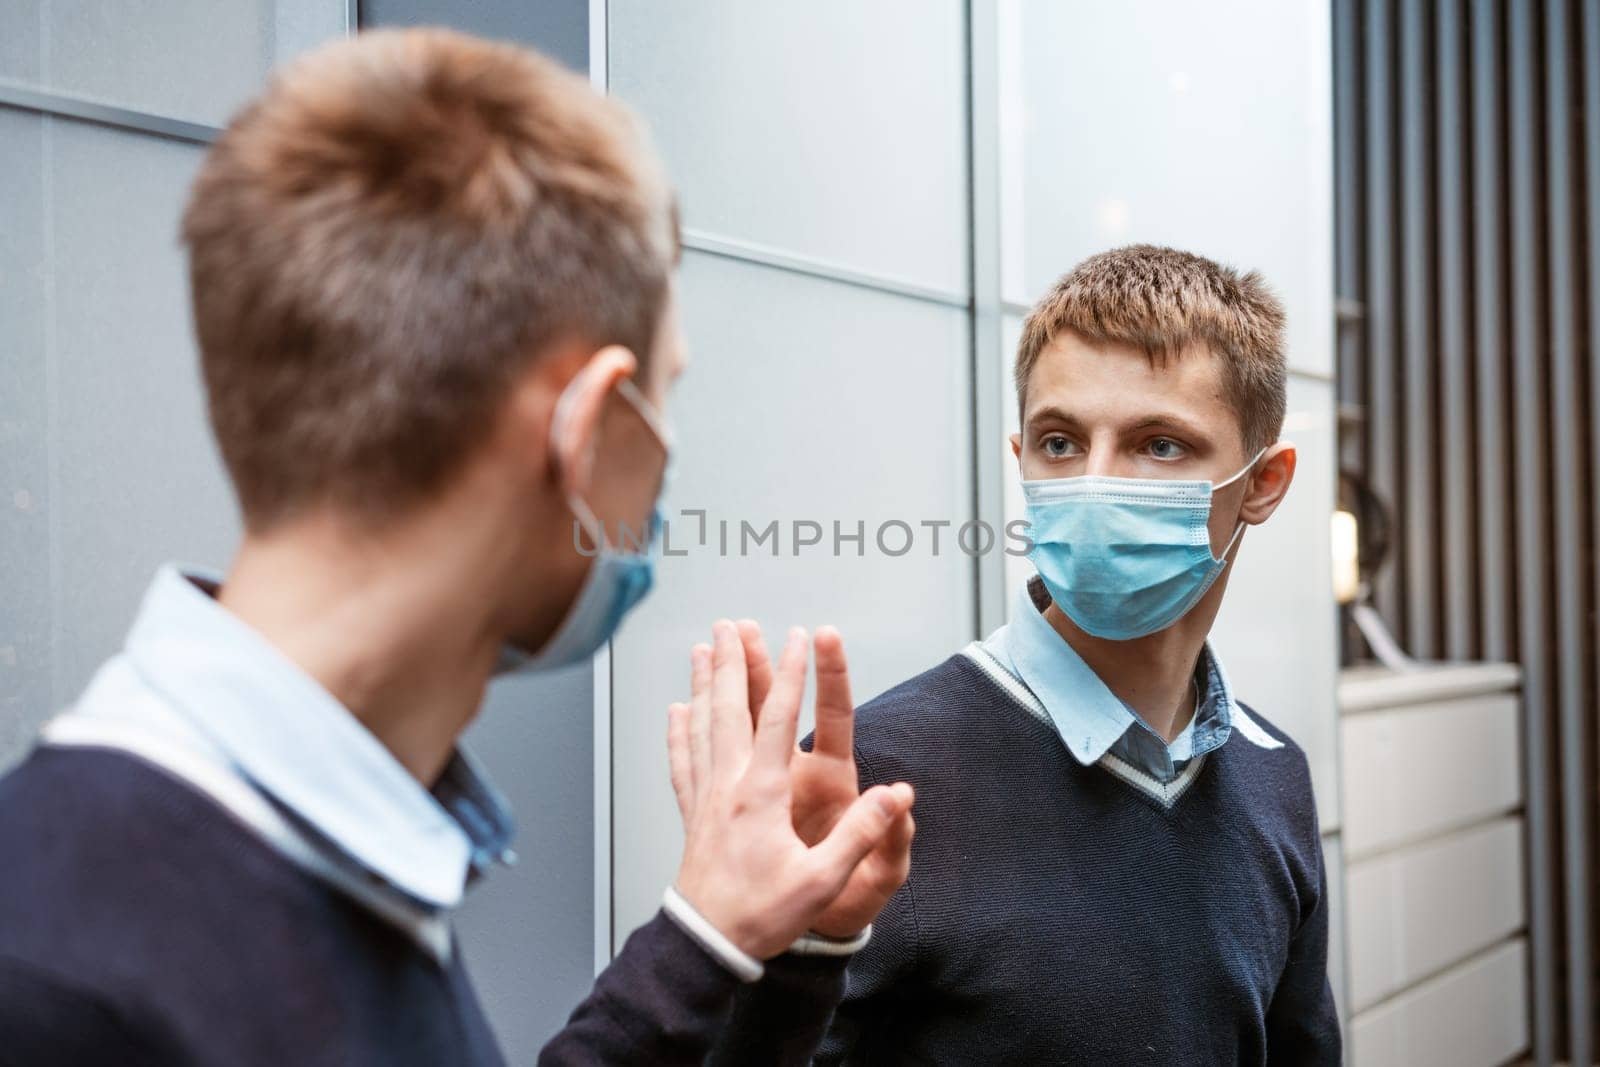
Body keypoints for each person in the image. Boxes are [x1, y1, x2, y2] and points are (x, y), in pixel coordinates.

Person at [0, 29, 914, 1066]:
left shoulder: (277, 853)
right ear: (588, 431)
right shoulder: (55, 988)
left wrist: (732, 938)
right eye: (665, 399)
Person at [721, 245, 1342, 1065]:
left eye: (1158, 445)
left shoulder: (1275, 777)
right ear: (1020, 459)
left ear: (1264, 483)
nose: (1093, 483)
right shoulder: (869, 782)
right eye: (1059, 441)